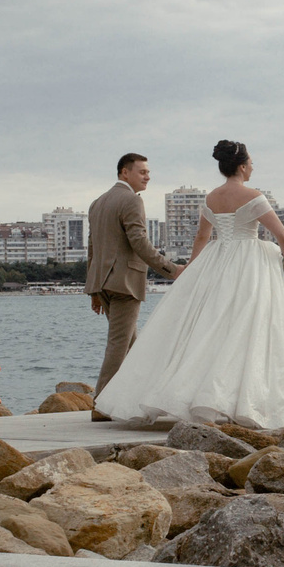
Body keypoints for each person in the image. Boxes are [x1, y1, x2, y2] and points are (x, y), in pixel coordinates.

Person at [92, 138, 284, 428]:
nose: (253, 167)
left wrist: (192, 269)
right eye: (251, 163)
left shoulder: (210, 198)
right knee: (244, 328)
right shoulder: (254, 196)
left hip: (216, 261)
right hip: (248, 266)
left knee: (205, 327)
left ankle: (182, 391)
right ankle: (232, 397)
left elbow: (202, 237)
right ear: (242, 166)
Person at [86, 153, 181, 397]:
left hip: (104, 284)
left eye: (148, 172)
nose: (148, 176)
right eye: (142, 172)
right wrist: (172, 269)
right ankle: (101, 401)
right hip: (124, 283)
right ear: (124, 172)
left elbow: (92, 248)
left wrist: (94, 290)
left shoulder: (98, 202)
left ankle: (138, 395)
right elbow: (139, 242)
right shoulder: (131, 200)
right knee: (119, 344)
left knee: (130, 344)